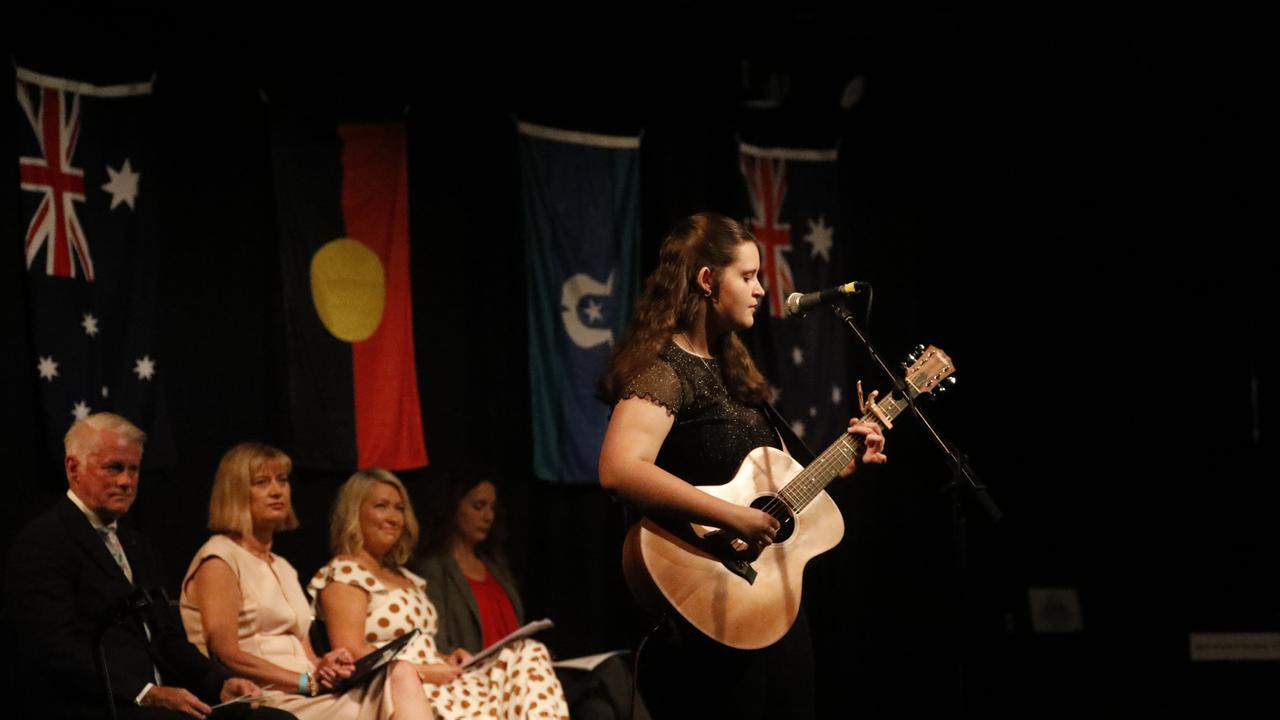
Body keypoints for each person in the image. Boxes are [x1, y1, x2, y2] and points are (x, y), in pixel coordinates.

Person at [596, 212, 887, 719]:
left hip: (770, 601)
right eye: (747, 276)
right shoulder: (666, 372)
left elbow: (781, 491)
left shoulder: (735, 375)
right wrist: (732, 517)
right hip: (710, 601)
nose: (759, 291)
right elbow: (620, 469)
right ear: (707, 281)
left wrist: (847, 458)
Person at [4, 413, 288, 719]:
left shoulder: (137, 545)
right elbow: (55, 649)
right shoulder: (45, 541)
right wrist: (145, 692)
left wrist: (220, 683)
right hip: (102, 706)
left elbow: (168, 638)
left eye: (133, 469)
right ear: (74, 468)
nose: (126, 481)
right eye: (114, 468)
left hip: (164, 703)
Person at [180, 443, 431, 719]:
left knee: (402, 672)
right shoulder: (220, 558)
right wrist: (303, 681)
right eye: (262, 482)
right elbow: (225, 653)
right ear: (235, 493)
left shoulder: (284, 567)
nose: (277, 491)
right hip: (265, 696)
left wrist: (326, 665)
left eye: (283, 480)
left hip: (307, 690)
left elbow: (306, 654)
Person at [312, 469, 569, 720]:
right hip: (399, 687)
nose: (393, 517)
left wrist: (447, 657)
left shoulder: (406, 577)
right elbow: (351, 655)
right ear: (354, 513)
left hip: (441, 678)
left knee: (527, 652)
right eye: (381, 506)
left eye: (399, 508)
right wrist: (424, 672)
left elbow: (422, 644)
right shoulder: (345, 572)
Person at [413, 470, 646, 720]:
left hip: (522, 669)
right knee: (609, 676)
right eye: (478, 506)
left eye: (492, 507)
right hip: (481, 674)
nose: (488, 516)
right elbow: (436, 639)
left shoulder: (494, 566)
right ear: (451, 509)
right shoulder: (435, 568)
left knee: (600, 700)